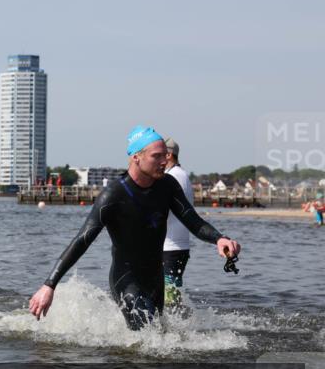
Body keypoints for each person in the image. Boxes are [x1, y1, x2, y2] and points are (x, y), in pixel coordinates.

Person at [28, 126, 241, 330]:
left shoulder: (167, 186)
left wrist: (219, 238)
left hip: (156, 279)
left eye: (165, 155)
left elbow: (192, 220)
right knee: (146, 335)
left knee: (158, 339)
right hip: (126, 279)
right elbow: (82, 240)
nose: (164, 160)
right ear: (136, 157)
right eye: (156, 156)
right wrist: (50, 285)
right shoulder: (113, 195)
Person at [161, 138, 192, 307]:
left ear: (169, 155)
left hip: (172, 247)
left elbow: (167, 210)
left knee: (170, 298)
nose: (158, 159)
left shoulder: (174, 176)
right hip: (174, 246)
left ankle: (174, 329)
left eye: (160, 155)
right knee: (171, 293)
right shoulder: (181, 174)